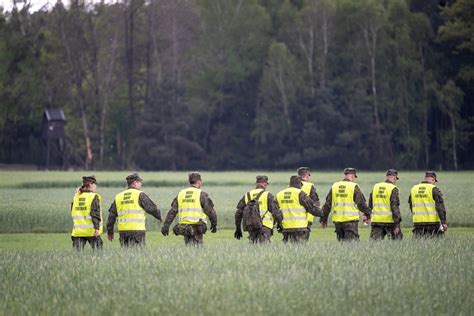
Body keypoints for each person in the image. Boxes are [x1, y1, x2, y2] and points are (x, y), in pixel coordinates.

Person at [161, 172, 217, 246]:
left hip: (184, 228)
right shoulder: (201, 194)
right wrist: (214, 224)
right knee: (197, 250)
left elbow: (172, 212)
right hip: (197, 227)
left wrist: (166, 226)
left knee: (189, 248)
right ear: (198, 181)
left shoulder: (181, 194)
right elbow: (210, 211)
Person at [107, 173, 162, 247]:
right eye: (140, 182)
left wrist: (110, 232)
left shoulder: (119, 196)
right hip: (137, 231)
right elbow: (152, 209)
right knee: (137, 255)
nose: (141, 184)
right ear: (135, 183)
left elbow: (111, 216)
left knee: (126, 255)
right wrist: (160, 217)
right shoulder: (140, 194)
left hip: (123, 231)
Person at [320, 168, 371, 241]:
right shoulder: (353, 186)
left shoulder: (335, 186)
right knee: (352, 246)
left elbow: (327, 205)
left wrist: (323, 219)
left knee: (342, 246)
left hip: (338, 222)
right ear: (353, 176)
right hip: (350, 221)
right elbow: (361, 204)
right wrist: (368, 214)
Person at [234, 175, 283, 243]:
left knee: (254, 249)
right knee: (263, 249)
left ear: (256, 183)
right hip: (264, 227)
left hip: (251, 227)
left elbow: (238, 214)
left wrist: (238, 229)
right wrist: (280, 224)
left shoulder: (247, 195)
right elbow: (276, 212)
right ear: (266, 184)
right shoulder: (267, 195)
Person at [276, 175, 323, 243]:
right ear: (300, 184)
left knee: (288, 251)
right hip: (299, 228)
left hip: (285, 228)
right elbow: (312, 208)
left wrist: (279, 224)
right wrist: (322, 213)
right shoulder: (300, 193)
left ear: (289, 184)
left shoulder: (280, 194)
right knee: (299, 250)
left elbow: (275, 212)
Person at [408, 171, 448, 238]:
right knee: (436, 243)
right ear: (433, 179)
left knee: (419, 244)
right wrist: (443, 222)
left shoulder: (414, 189)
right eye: (434, 181)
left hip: (418, 223)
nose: (434, 183)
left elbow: (411, 205)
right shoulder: (433, 189)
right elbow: (440, 207)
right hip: (432, 223)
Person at [70, 175, 103, 250]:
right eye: (95, 184)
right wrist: (97, 228)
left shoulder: (76, 197)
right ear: (91, 184)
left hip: (77, 232)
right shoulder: (94, 196)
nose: (96, 187)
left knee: (77, 256)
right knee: (99, 253)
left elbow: (72, 211)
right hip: (91, 231)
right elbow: (95, 214)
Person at [368, 169, 402, 240]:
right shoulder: (393, 188)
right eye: (396, 179)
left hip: (376, 221)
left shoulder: (376, 186)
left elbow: (370, 203)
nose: (395, 181)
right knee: (396, 244)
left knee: (374, 245)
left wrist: (367, 215)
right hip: (390, 222)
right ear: (393, 177)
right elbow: (395, 207)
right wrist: (397, 225)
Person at [297, 167, 321, 240]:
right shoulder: (309, 186)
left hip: (291, 220)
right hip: (306, 219)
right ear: (307, 176)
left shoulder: (291, 186)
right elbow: (316, 203)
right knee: (303, 242)